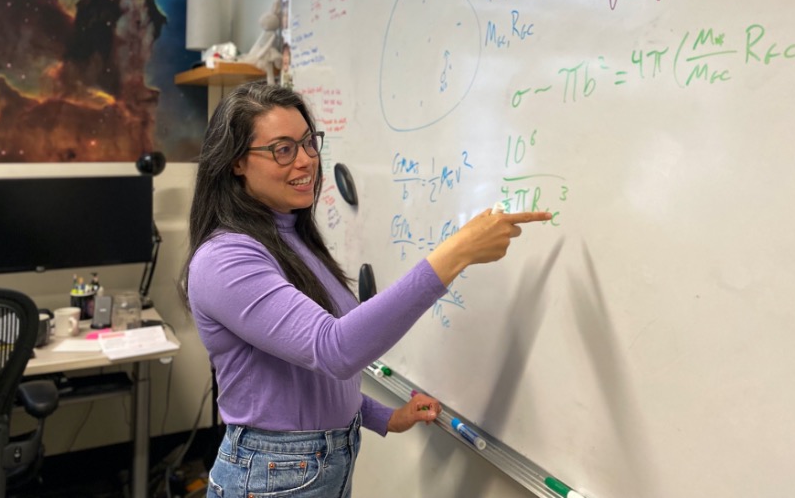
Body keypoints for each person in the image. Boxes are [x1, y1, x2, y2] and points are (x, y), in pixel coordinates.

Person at [178, 80, 551, 498]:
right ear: (236, 163)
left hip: (312, 465)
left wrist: (382, 416)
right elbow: (333, 349)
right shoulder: (225, 259)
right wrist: (456, 253)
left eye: (308, 143)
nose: (306, 162)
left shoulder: (291, 236)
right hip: (272, 474)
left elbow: (300, 378)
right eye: (283, 149)